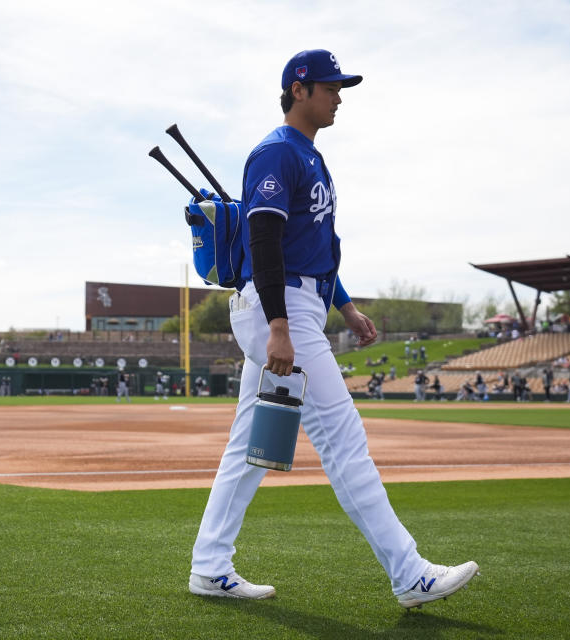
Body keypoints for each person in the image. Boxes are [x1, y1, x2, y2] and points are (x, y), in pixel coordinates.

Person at [189, 49, 478, 609]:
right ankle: (409, 573)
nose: (338, 95)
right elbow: (264, 244)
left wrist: (345, 307)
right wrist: (279, 325)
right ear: (299, 90)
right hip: (281, 308)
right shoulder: (277, 152)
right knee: (342, 438)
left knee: (251, 447)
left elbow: (312, 251)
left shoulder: (310, 158)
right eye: (329, 87)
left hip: (299, 300)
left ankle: (209, 564)